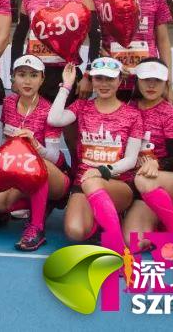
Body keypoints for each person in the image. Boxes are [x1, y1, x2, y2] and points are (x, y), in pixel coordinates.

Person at [48, 58, 144, 255]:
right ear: (91, 80)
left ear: (120, 81)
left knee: (92, 182)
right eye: (99, 78)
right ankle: (103, 219)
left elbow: (131, 160)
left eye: (110, 79)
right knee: (75, 232)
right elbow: (54, 119)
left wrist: (102, 171)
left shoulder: (132, 115)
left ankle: (116, 245)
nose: (104, 84)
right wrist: (66, 86)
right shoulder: (83, 106)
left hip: (117, 184)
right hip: (83, 184)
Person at [0, 55, 70, 252]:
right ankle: (38, 204)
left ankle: (37, 228)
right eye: (22, 74)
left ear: (42, 79)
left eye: (34, 75)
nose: (27, 81)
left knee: (38, 166)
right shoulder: (8, 104)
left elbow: (56, 157)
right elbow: (6, 143)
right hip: (20, 169)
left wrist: (35, 145)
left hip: (54, 174)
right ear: (13, 78)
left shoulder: (48, 110)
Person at [11, 0, 100, 103]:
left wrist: (88, 75)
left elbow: (95, 37)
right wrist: (13, 74)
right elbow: (18, 38)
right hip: (34, 74)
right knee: (35, 119)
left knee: (68, 119)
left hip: (68, 74)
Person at [94, 0, 173, 102]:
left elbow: (163, 41)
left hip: (149, 80)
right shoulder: (98, 0)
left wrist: (168, 82)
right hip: (113, 80)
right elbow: (96, 42)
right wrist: (110, 61)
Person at [123, 58, 173, 251]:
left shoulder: (170, 114)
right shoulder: (128, 108)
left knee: (143, 179)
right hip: (142, 187)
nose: (151, 85)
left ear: (166, 83)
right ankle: (158, 221)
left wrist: (156, 164)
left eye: (157, 81)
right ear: (137, 81)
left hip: (171, 179)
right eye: (146, 80)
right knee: (134, 242)